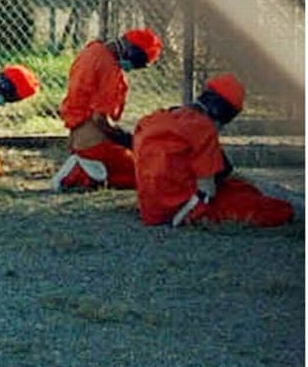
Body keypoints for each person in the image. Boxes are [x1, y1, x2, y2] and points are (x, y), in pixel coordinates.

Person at [133, 74, 294, 228]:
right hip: (180, 208)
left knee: (239, 187)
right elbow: (207, 188)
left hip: (150, 208)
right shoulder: (203, 128)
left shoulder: (155, 118)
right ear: (223, 113)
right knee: (278, 209)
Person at [51, 28, 163, 191]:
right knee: (147, 174)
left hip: (79, 138)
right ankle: (82, 171)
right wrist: (125, 139)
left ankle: (88, 170)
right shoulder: (109, 68)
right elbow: (99, 119)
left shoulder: (92, 51)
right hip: (95, 144)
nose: (134, 68)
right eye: (139, 63)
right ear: (132, 52)